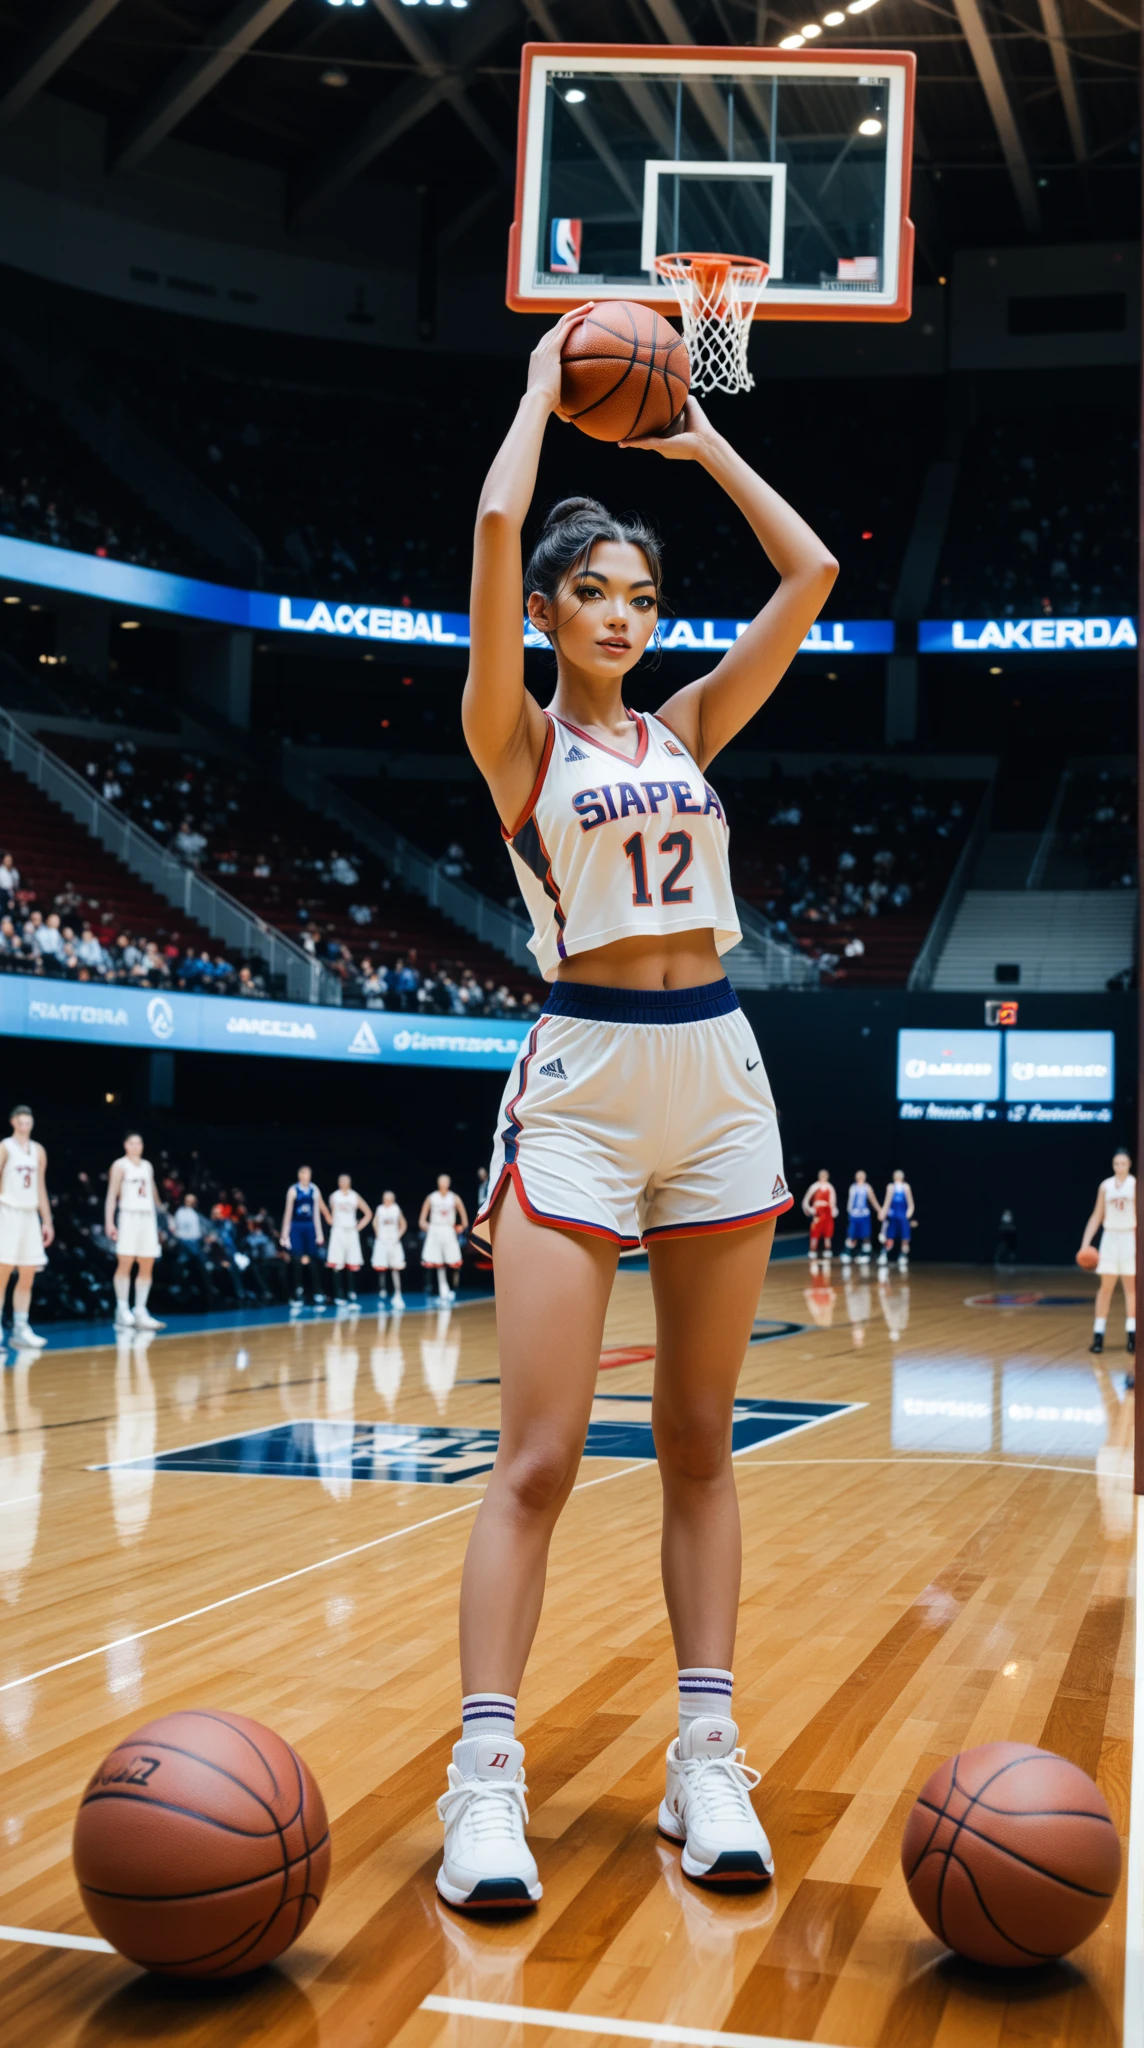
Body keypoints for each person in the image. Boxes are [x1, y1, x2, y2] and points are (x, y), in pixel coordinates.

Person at [433, 306, 835, 1911]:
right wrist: (541, 388)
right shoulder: (512, 736)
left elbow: (807, 578)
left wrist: (701, 440)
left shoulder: (692, 727)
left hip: (721, 1079)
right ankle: (483, 1785)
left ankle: (705, 1760)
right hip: (585, 1084)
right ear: (546, 612)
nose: (623, 612)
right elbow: (489, 521)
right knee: (535, 1455)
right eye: (594, 592)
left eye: (643, 596)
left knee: (698, 1446)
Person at [0, 1105, 53, 1347]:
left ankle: (21, 1329)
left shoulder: (38, 1150)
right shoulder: (5, 1147)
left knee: (28, 1273)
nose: (25, 1124)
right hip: (7, 1211)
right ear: (13, 1122)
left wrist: (47, 1220)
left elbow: (40, 1186)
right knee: (2, 1273)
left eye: (28, 1121)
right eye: (21, 1121)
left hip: (30, 1215)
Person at [1080, 1149, 1136, 1369]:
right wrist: (1086, 1243)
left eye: (1122, 1163)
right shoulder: (1105, 1186)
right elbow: (1097, 1215)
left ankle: (1132, 1335)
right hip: (1110, 1238)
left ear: (1129, 1164)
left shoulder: (1135, 1185)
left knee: (1131, 1289)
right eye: (1116, 1163)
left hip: (1129, 1237)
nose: (1119, 1166)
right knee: (1105, 1288)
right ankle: (1098, 1335)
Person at [104, 1133, 165, 1331]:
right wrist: (109, 1222)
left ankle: (140, 1310)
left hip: (147, 1217)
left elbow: (153, 1192)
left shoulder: (147, 1166)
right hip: (128, 1216)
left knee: (147, 1263)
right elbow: (111, 1195)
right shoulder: (119, 1165)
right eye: (131, 1142)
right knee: (126, 1262)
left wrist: (164, 1215)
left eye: (139, 1142)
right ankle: (121, 1309)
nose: (136, 1146)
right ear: (125, 1145)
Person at [279, 1166, 329, 1315]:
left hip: (310, 1226)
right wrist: (284, 1233)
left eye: (309, 1173)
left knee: (313, 1259)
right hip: (296, 1226)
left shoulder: (314, 1189)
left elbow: (316, 1214)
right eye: (304, 1173)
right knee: (297, 1259)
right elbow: (288, 1213)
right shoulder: (293, 1190)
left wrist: (319, 1233)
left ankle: (316, 1292)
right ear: (299, 1174)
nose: (307, 1176)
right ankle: (297, 1293)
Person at [419, 1173, 468, 1306]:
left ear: (449, 1183)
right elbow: (422, 1220)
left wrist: (461, 1227)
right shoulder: (431, 1198)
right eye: (441, 1182)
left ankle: (452, 1289)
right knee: (436, 1261)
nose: (443, 1184)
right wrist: (429, 1229)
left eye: (446, 1182)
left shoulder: (454, 1198)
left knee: (452, 1260)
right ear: (438, 1183)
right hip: (435, 1229)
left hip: (448, 1229)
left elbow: (464, 1219)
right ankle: (442, 1290)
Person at [326, 1173, 373, 1312]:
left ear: (350, 1182)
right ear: (338, 1182)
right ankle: (339, 1295)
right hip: (338, 1231)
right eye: (341, 1180)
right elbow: (331, 1214)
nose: (343, 1183)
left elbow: (368, 1213)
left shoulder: (354, 1196)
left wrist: (358, 1227)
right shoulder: (334, 1196)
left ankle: (352, 1293)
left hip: (351, 1232)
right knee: (337, 1263)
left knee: (352, 1262)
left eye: (346, 1180)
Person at [371, 1190, 407, 1312]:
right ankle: (382, 1291)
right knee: (381, 1267)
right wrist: (377, 1234)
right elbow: (374, 1222)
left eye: (389, 1198)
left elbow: (404, 1224)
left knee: (395, 1268)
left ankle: (397, 1293)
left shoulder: (396, 1209)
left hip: (393, 1241)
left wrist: (398, 1235)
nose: (386, 1200)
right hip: (382, 1241)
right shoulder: (380, 1209)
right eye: (385, 1198)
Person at [841, 1169, 880, 1267]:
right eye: (858, 1176)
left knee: (865, 1235)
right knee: (851, 1235)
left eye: (862, 1176)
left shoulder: (867, 1187)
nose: (860, 1178)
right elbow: (850, 1201)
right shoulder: (853, 1187)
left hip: (864, 1215)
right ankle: (848, 1253)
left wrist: (880, 1210)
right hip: (854, 1215)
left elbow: (873, 1200)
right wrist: (849, 1211)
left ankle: (865, 1254)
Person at [878, 1170, 915, 1271]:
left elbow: (910, 1202)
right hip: (893, 1215)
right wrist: (883, 1212)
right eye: (896, 1176)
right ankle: (884, 1254)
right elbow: (887, 1201)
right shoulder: (891, 1187)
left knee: (905, 1237)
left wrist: (910, 1212)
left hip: (903, 1215)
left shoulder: (906, 1187)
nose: (898, 1177)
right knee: (889, 1236)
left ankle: (903, 1256)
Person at [801, 1169, 837, 1263]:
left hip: (827, 1213)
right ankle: (813, 1251)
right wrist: (808, 1209)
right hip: (818, 1213)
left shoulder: (830, 1187)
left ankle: (827, 1252)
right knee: (815, 1233)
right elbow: (805, 1200)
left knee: (827, 1234)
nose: (823, 1177)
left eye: (825, 1176)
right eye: (822, 1176)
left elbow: (832, 1201)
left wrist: (834, 1209)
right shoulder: (815, 1186)